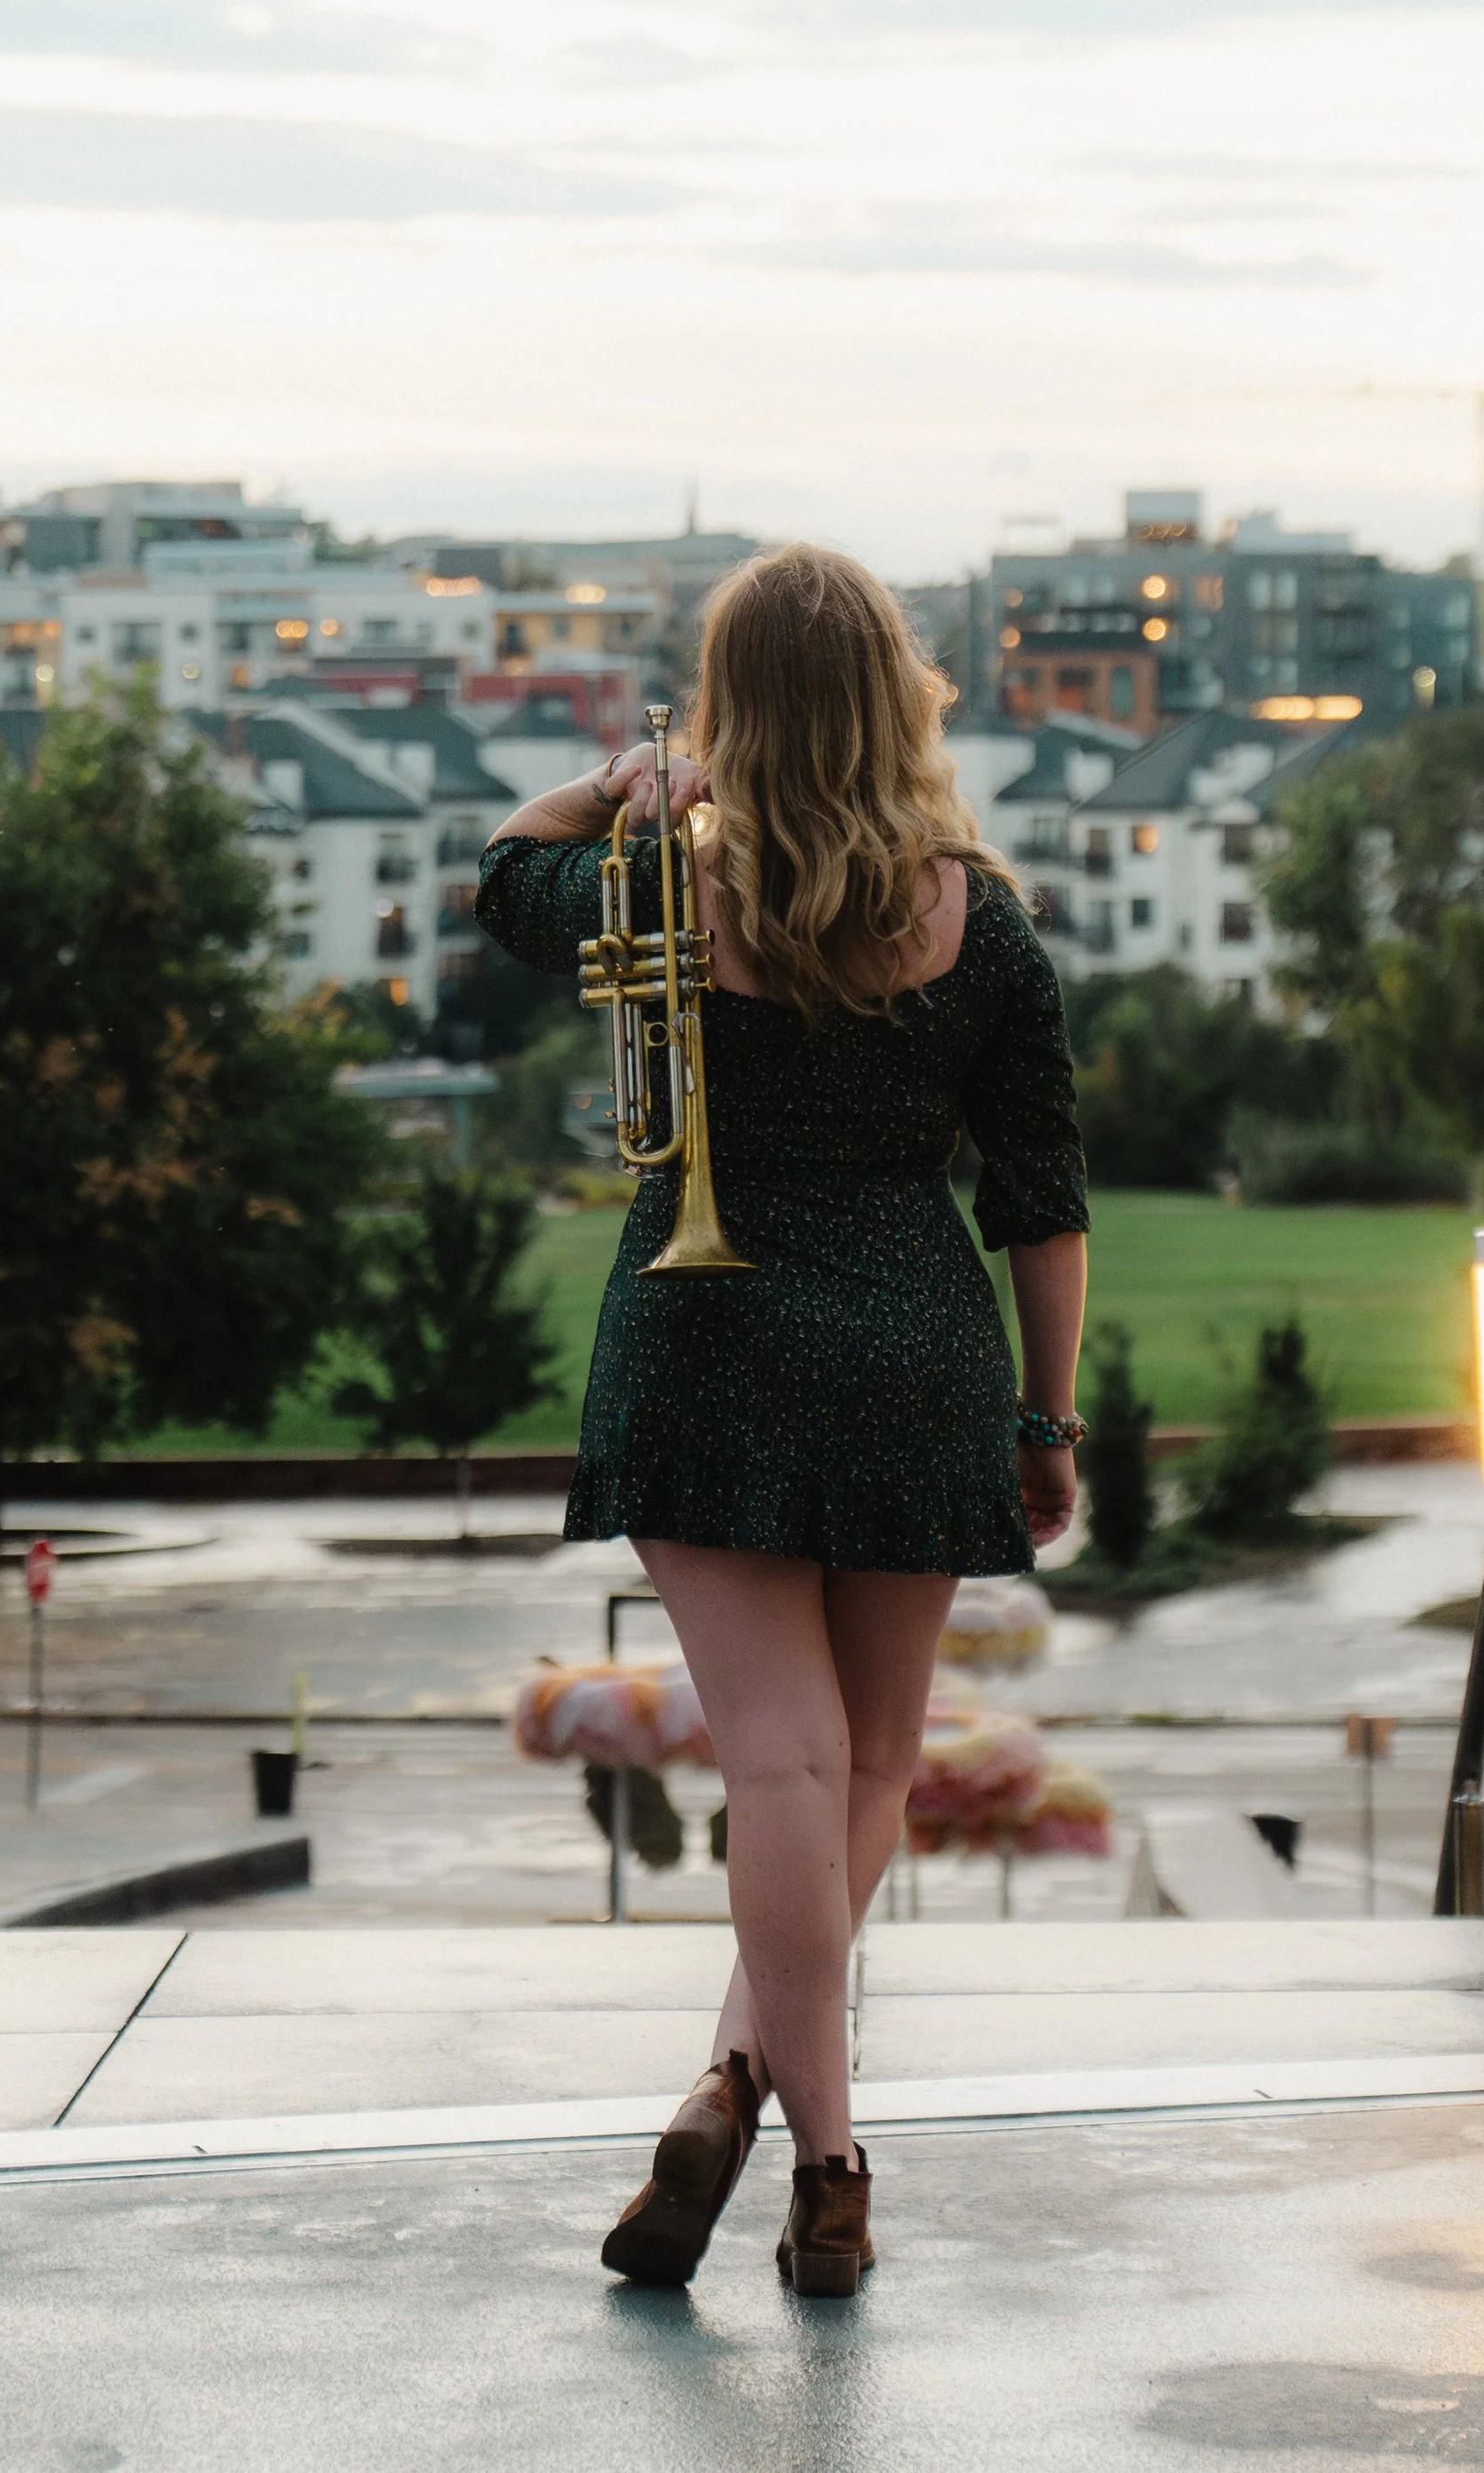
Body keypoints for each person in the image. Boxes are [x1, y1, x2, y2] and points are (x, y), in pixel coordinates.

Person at [475, 543, 1088, 2298]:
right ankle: (782, 2121)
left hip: (701, 1343)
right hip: (911, 1360)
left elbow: (495, 865)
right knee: (865, 1764)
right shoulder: (979, 920)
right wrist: (1045, 1422)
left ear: (729, 704)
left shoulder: (651, 881)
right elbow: (1037, 1205)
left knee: (777, 1764)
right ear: (899, 693)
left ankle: (793, 2129)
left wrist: (622, 778)